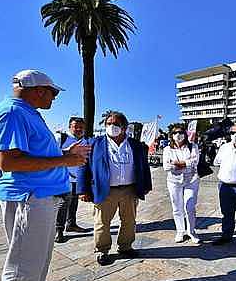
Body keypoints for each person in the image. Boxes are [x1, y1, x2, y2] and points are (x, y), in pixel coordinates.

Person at [0, 69, 90, 281]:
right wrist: (64, 161)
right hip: (27, 197)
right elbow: (8, 161)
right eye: (53, 93)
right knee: (23, 260)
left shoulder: (28, 113)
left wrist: (65, 154)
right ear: (39, 90)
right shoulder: (11, 112)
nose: (54, 98)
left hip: (40, 196)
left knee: (40, 255)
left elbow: (38, 154)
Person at [77, 111, 152, 266]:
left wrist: (146, 185)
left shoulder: (136, 145)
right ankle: (102, 250)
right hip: (105, 190)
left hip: (129, 190)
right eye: (109, 123)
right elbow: (83, 166)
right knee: (102, 222)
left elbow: (144, 167)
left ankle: (125, 246)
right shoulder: (94, 143)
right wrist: (83, 189)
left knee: (129, 220)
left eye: (116, 124)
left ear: (124, 127)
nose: (112, 126)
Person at [54, 117, 90, 243]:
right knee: (64, 204)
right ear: (70, 126)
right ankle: (58, 230)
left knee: (74, 202)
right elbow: (51, 154)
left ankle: (71, 224)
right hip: (63, 178)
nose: (79, 129)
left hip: (77, 179)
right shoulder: (61, 138)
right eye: (76, 126)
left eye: (81, 127)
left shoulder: (86, 141)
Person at [163, 125, 201, 243]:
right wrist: (185, 163)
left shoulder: (192, 146)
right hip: (174, 181)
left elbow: (195, 162)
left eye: (180, 132)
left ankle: (191, 231)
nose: (178, 135)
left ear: (185, 134)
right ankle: (180, 231)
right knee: (177, 207)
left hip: (191, 180)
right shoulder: (167, 149)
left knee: (190, 206)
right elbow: (166, 166)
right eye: (175, 133)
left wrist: (179, 164)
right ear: (172, 136)